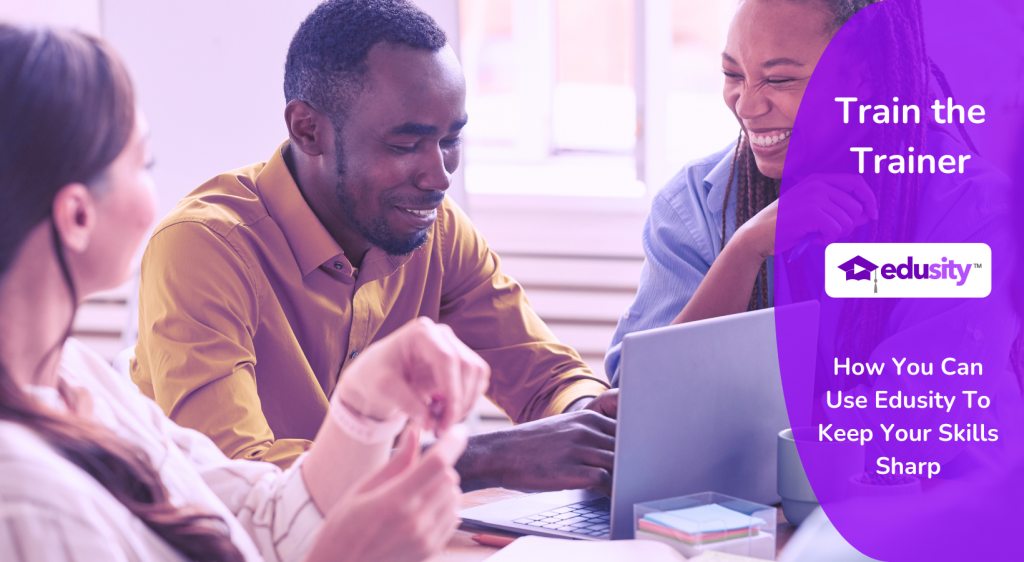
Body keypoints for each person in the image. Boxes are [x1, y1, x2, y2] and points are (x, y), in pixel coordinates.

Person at [0, 24, 489, 562]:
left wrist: (362, 409)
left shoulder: (72, 377)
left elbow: (254, 514)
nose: (438, 176)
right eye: (144, 164)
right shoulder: (25, 500)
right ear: (77, 215)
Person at [129, 0, 618, 496]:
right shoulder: (203, 248)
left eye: (452, 140)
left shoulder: (436, 227)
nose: (440, 176)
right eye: (407, 145)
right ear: (308, 129)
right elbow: (236, 482)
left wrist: (588, 422)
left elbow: (548, 380)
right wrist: (481, 459)